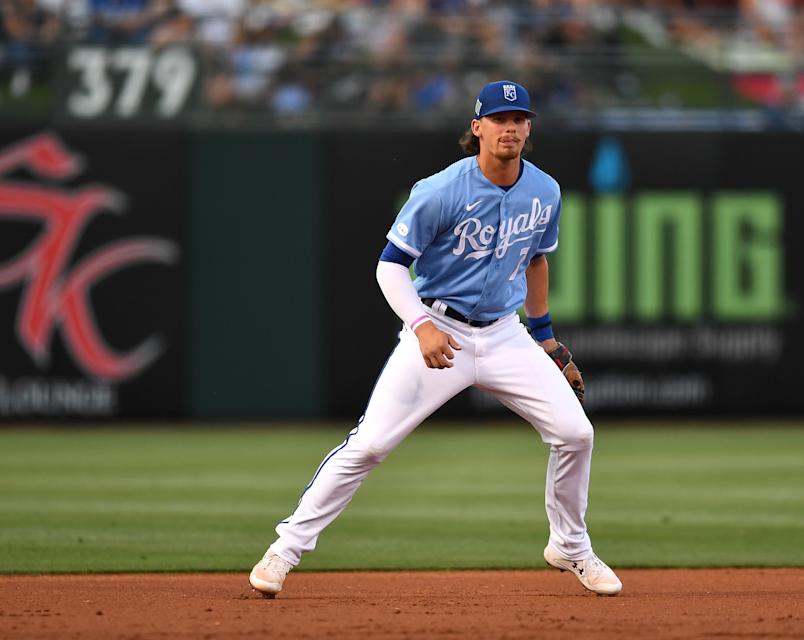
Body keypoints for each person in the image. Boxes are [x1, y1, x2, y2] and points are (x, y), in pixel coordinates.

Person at [249, 80, 622, 598]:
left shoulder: (545, 191)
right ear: (477, 128)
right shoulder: (441, 190)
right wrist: (421, 326)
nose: (510, 127)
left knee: (577, 434)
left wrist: (547, 340)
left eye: (519, 119)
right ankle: (284, 550)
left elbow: (536, 261)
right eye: (498, 119)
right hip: (440, 328)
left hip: (505, 333)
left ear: (529, 127)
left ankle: (570, 547)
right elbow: (390, 268)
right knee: (371, 444)